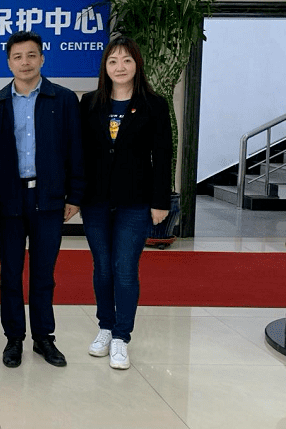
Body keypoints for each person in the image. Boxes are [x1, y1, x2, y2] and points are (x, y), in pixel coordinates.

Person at [0, 30, 84, 369]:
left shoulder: (63, 100)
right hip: (8, 199)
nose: (25, 62)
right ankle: (14, 338)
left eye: (31, 55)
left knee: (43, 273)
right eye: (18, 57)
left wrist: (75, 194)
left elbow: (76, 150)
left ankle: (43, 337)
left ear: (42, 59)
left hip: (49, 197)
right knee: (10, 273)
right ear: (9, 62)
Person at [80, 35, 172, 370]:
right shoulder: (90, 103)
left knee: (125, 268)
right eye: (113, 61)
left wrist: (160, 201)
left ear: (137, 65)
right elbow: (80, 153)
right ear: (105, 67)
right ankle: (105, 327)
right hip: (95, 201)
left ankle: (121, 336)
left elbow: (163, 155)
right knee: (102, 266)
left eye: (127, 60)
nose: (120, 67)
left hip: (136, 201)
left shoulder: (154, 105)